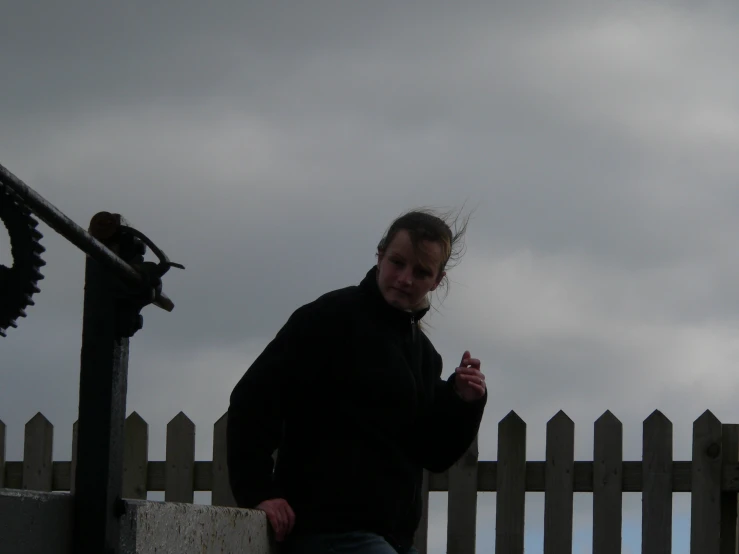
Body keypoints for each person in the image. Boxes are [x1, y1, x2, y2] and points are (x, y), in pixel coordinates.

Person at [227, 209, 487, 554]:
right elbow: (253, 400)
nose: (405, 278)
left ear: (436, 281)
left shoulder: (424, 355)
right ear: (379, 257)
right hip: (325, 531)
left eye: (422, 271)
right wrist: (258, 493)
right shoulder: (329, 319)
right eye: (398, 262)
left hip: (391, 540)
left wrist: (461, 401)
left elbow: (432, 452)